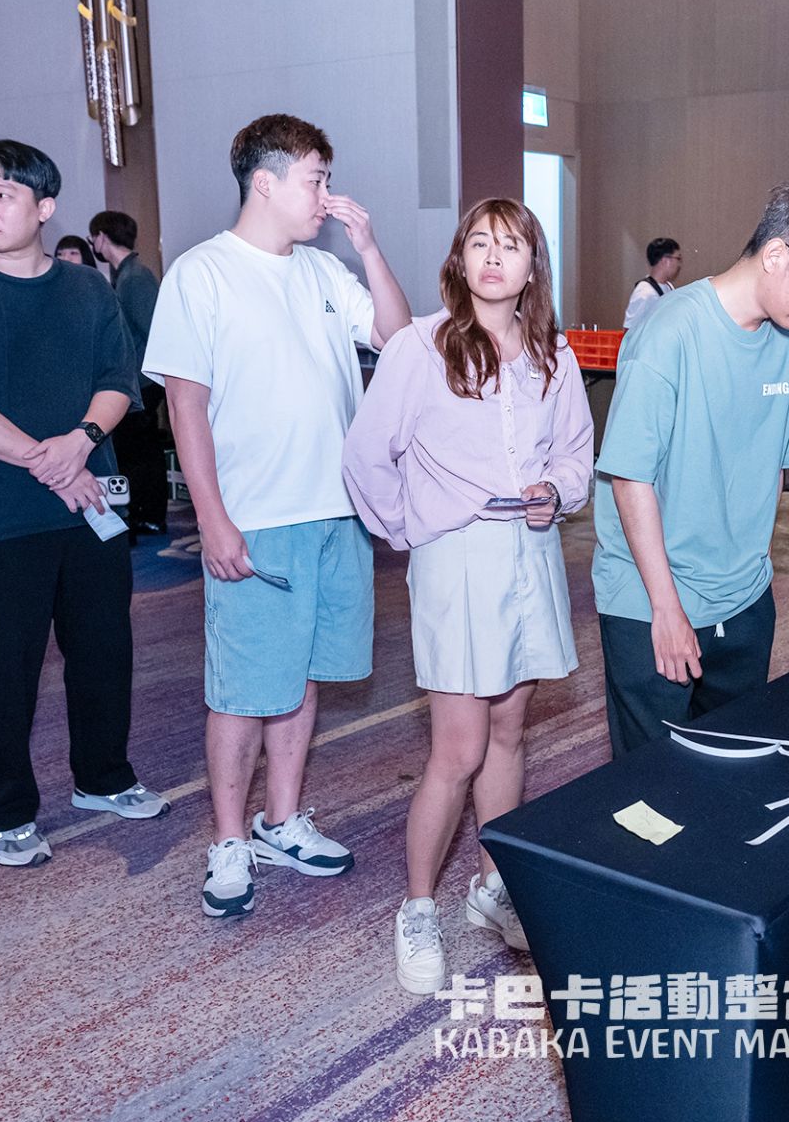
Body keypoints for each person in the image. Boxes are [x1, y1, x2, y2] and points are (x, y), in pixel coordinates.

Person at [143, 114, 410, 919]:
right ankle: (229, 838)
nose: (326, 195)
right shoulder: (202, 273)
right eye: (315, 179)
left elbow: (398, 340)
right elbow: (186, 406)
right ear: (265, 181)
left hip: (336, 512)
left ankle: (282, 820)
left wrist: (370, 249)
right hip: (256, 516)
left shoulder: (325, 270)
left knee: (303, 676)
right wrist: (213, 518)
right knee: (241, 689)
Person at [343, 198, 592, 994]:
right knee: (458, 749)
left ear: (532, 266)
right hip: (456, 557)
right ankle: (417, 906)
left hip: (530, 553)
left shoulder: (552, 353)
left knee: (510, 733)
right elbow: (365, 456)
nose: (492, 257)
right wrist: (410, 531)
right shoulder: (420, 346)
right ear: (459, 259)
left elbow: (577, 455)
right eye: (479, 242)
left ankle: (491, 886)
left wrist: (557, 491)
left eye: (510, 245)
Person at [0, 139, 167, 866]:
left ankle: (103, 777)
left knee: (103, 652)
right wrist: (52, 463)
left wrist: (80, 441)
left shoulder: (86, 289)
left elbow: (118, 380)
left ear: (45, 206)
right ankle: (5, 809)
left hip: (92, 505)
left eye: (3, 194)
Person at [593, 170, 789, 757]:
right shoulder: (669, 331)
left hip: (744, 600)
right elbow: (630, 476)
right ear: (775, 255)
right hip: (653, 600)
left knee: (733, 770)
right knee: (653, 783)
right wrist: (666, 609)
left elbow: (771, 470)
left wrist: (751, 576)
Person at [88, 210, 168, 535]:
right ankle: (145, 514)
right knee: (140, 451)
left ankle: (149, 514)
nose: (93, 243)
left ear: (102, 237)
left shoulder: (134, 278)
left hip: (144, 382)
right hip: (139, 381)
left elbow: (155, 332)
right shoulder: (126, 275)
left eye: (93, 237)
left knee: (141, 452)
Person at [622, 237, 682, 330]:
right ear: (665, 260)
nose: (679, 264)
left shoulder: (668, 286)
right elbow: (629, 331)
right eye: (678, 258)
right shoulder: (645, 293)